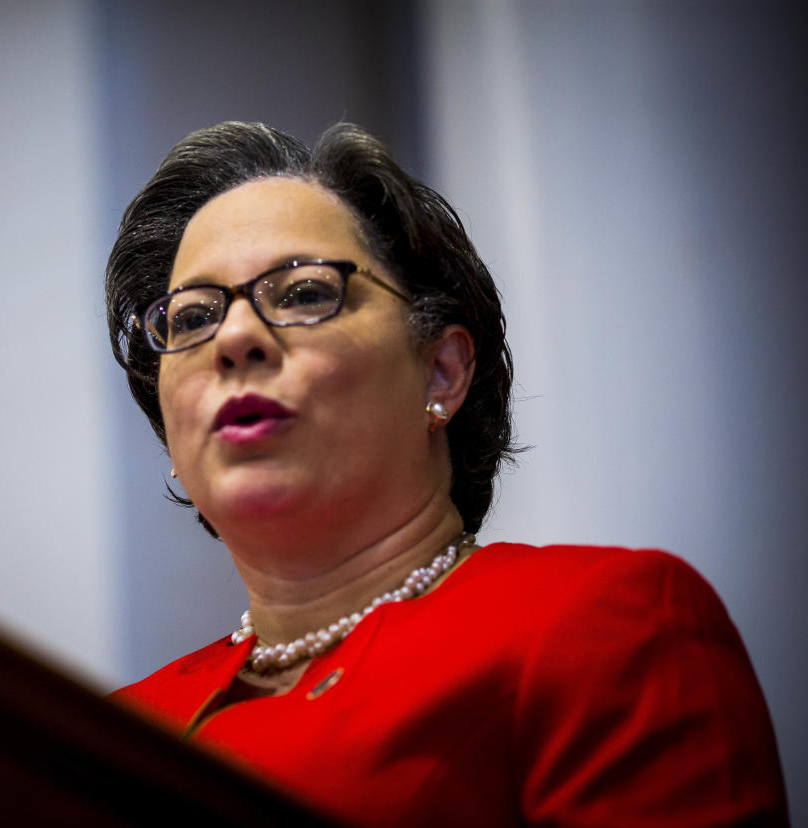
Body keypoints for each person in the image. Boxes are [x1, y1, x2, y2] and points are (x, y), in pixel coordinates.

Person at [104, 121, 788, 827]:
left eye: (304, 293)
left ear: (442, 370)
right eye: (191, 318)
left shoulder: (605, 628)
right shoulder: (106, 730)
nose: (235, 337)